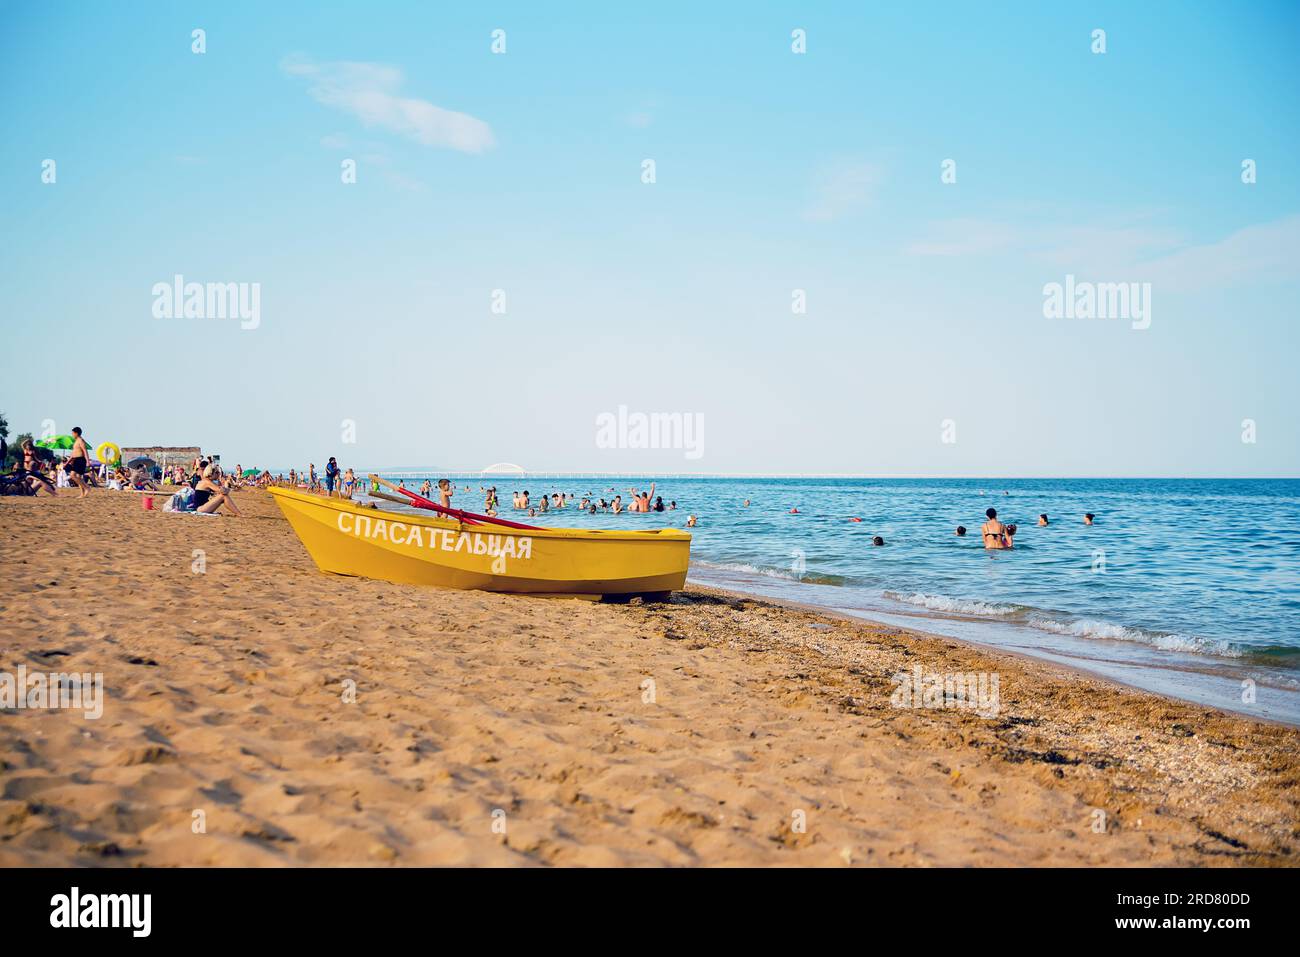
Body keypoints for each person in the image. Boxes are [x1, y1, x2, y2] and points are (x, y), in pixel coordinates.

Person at [64, 427, 91, 498]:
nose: (72, 435)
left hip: (81, 460)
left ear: (76, 433)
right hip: (75, 460)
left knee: (73, 475)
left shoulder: (81, 440)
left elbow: (85, 451)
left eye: (73, 433)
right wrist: (67, 463)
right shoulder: (76, 442)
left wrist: (88, 461)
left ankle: (87, 488)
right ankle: (82, 494)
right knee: (78, 477)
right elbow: (73, 454)